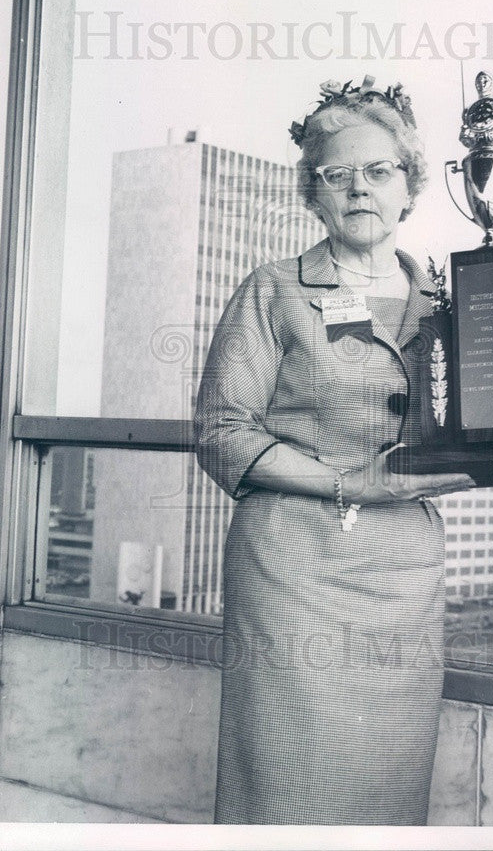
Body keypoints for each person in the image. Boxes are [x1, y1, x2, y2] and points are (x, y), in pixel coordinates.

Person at [194, 76, 475, 826]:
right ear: (311, 193)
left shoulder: (449, 303)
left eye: (378, 171)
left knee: (384, 792)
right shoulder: (274, 289)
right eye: (336, 174)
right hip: (293, 571)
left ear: (409, 187)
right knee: (285, 791)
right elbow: (222, 432)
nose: (359, 189)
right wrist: (350, 482)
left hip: (401, 580)